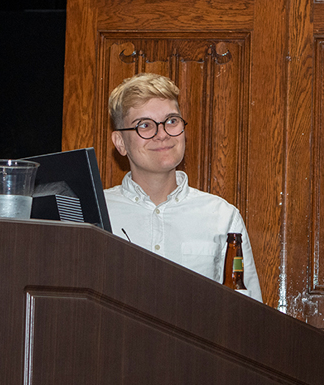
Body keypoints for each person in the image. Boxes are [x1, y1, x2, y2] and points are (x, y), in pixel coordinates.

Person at [104, 73, 263, 302]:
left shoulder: (222, 217)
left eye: (171, 121)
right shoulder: (95, 215)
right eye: (145, 125)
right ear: (120, 142)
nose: (162, 134)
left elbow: (249, 315)